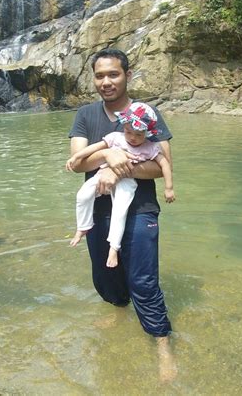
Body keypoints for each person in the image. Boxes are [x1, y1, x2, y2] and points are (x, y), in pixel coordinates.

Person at [68, 48, 177, 382]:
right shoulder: (86, 115)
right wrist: (113, 152)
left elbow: (162, 167)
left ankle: (162, 344)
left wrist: (121, 170)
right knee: (106, 279)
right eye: (99, 76)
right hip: (100, 211)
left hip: (141, 209)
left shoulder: (146, 113)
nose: (106, 82)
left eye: (113, 74)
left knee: (143, 280)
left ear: (127, 75)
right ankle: (119, 314)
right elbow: (78, 163)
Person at [66, 102, 175, 268]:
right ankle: (82, 227)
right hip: (103, 173)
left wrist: (168, 188)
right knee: (82, 195)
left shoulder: (150, 147)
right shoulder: (116, 137)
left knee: (119, 211)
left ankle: (113, 248)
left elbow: (165, 165)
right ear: (123, 126)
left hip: (127, 182)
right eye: (129, 132)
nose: (132, 137)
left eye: (139, 134)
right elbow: (96, 147)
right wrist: (76, 157)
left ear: (147, 133)